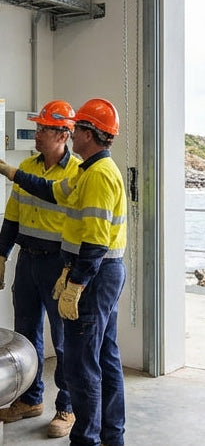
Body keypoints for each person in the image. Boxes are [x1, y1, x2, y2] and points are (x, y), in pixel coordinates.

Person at [0, 98, 127, 446]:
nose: (72, 137)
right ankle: (110, 437)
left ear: (83, 133)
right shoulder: (87, 172)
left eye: (77, 131)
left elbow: (97, 241)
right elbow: (53, 192)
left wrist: (76, 283)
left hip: (89, 274)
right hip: (77, 270)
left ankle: (85, 434)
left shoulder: (96, 175)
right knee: (103, 356)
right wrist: (14, 173)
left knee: (82, 364)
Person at [0, 100, 81, 438]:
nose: (37, 133)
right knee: (26, 335)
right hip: (28, 261)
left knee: (63, 343)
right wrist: (2, 254)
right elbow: (12, 217)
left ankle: (67, 408)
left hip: (58, 265)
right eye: (37, 127)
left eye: (44, 128)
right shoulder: (27, 165)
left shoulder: (76, 172)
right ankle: (31, 400)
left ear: (64, 133)